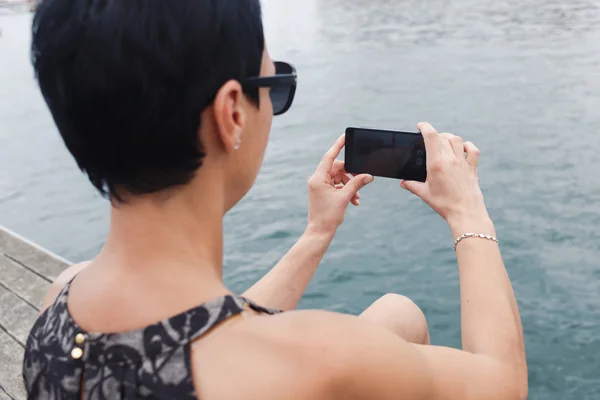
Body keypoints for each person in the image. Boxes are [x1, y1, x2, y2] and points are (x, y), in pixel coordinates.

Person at [23, 0, 528, 399]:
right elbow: (501, 385)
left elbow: (193, 334)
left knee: (398, 314)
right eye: (275, 85)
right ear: (232, 115)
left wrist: (316, 234)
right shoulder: (315, 362)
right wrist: (468, 210)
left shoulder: (59, 303)